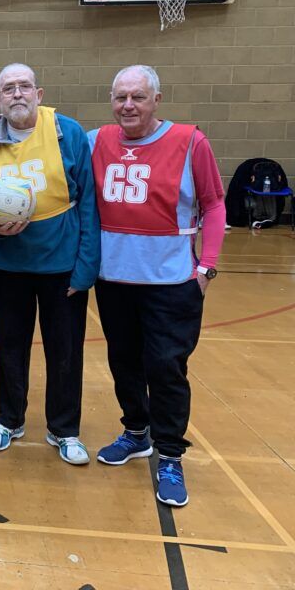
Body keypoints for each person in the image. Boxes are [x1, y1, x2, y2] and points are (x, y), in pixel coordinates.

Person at [90, 65, 224, 507]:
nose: (128, 105)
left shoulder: (190, 141)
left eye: (138, 97)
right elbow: (52, 142)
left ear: (156, 100)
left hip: (171, 283)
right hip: (114, 281)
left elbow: (214, 204)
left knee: (166, 368)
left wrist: (206, 268)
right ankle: (136, 431)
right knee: (123, 361)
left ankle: (170, 454)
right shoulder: (98, 140)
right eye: (121, 97)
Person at [0, 64, 99, 465]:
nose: (17, 94)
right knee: (10, 347)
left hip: (62, 267)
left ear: (39, 93)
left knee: (65, 351)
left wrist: (86, 267)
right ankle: (9, 420)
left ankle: (64, 429)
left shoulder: (68, 132)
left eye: (24, 86)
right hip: (9, 267)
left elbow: (91, 203)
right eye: (8, 88)